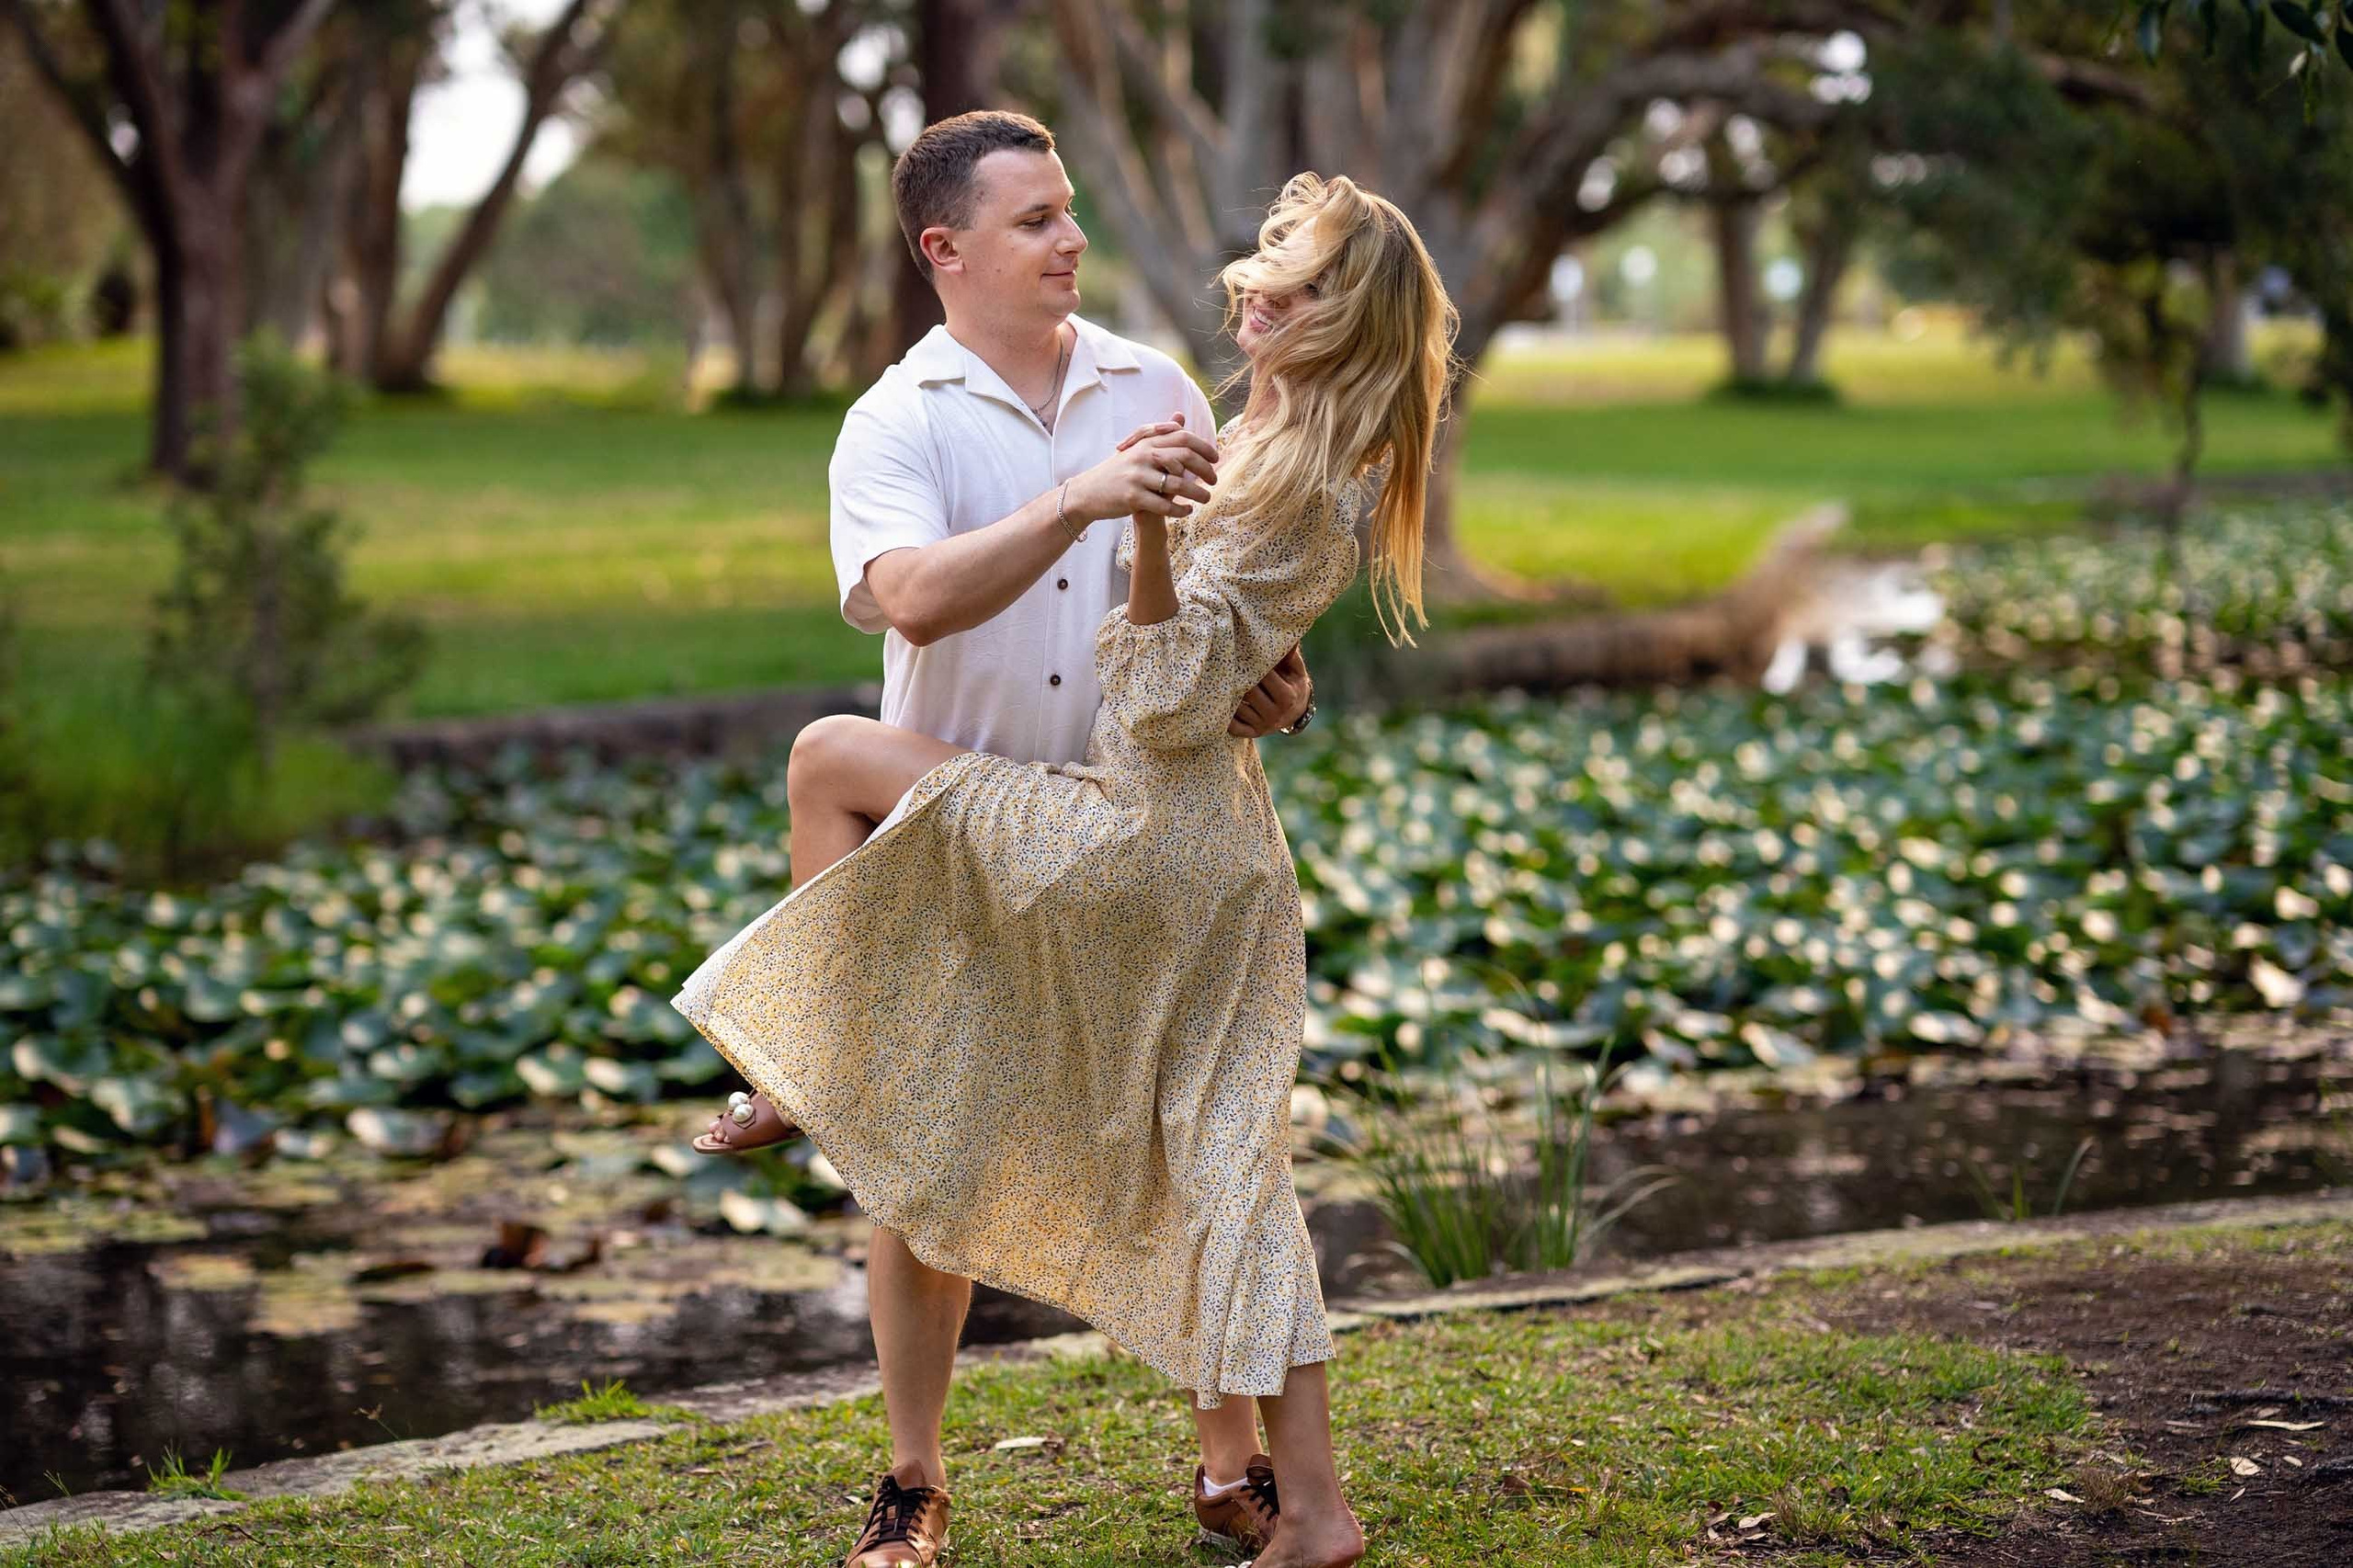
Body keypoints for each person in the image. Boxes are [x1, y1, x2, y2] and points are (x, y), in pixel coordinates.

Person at [674, 124, 1454, 1568]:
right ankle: (914, 1481)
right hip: (976, 826)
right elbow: (907, 598)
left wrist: (1273, 680)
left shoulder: (1160, 385)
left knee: (1185, 1152)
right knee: (926, 1166)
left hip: (1129, 824)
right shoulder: (896, 420)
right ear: (945, 252)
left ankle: (1235, 1474)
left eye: (1070, 212)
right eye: (1034, 220)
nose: (1069, 240)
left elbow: (1225, 619)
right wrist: (1084, 506)